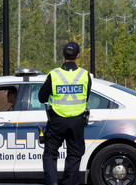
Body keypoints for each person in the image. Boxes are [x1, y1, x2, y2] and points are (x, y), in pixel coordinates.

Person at [39, 42, 91, 185]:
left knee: (50, 154)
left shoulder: (54, 75)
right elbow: (86, 96)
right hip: (77, 121)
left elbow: (41, 98)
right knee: (74, 155)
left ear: (62, 54)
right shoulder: (84, 75)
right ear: (78, 56)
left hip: (57, 121)